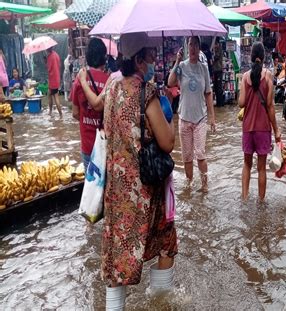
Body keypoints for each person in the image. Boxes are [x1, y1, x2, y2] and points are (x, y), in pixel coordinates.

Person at [78, 32, 177, 310]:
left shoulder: (110, 85)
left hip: (115, 191)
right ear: (139, 58)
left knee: (117, 254)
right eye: (150, 54)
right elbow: (168, 142)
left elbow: (98, 108)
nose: (154, 58)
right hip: (145, 192)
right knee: (165, 242)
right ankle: (161, 303)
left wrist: (85, 83)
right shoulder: (147, 93)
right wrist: (172, 114)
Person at [168, 36, 216, 192]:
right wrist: (176, 61)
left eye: (196, 45)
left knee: (200, 153)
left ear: (199, 48)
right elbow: (170, 82)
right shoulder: (182, 66)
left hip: (200, 118)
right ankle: (189, 184)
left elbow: (208, 93)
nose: (193, 48)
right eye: (191, 45)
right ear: (187, 48)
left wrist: (212, 118)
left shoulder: (203, 68)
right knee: (187, 156)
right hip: (184, 117)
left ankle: (204, 185)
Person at [239, 42, 281, 201]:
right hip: (263, 128)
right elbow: (270, 106)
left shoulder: (244, 77)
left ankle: (244, 198)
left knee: (247, 164)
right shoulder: (268, 76)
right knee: (261, 168)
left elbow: (241, 103)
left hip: (248, 128)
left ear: (250, 57)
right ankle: (261, 202)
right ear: (264, 58)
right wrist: (276, 130)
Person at [71, 38, 109, 169]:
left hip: (87, 144)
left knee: (91, 186)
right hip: (106, 143)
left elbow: (75, 113)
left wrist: (87, 119)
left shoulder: (80, 79)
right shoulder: (110, 81)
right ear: (104, 57)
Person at [46, 46, 62, 117]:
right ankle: (50, 111)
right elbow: (59, 65)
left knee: (55, 96)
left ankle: (60, 114)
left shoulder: (50, 57)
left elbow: (49, 69)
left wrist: (45, 62)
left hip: (52, 79)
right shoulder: (56, 55)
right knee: (49, 94)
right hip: (57, 78)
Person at [213, 38, 224, 107]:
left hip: (218, 70)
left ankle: (220, 103)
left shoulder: (219, 49)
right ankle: (218, 102)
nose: (214, 46)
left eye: (215, 44)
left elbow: (216, 57)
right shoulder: (217, 49)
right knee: (216, 87)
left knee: (219, 87)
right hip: (215, 70)